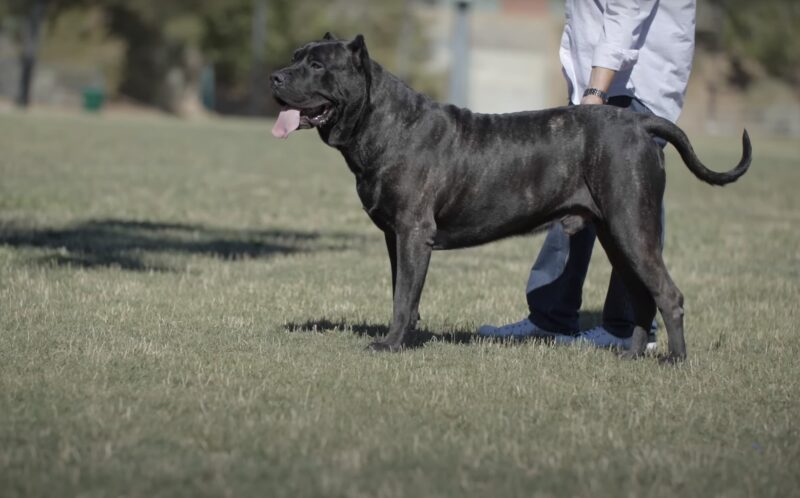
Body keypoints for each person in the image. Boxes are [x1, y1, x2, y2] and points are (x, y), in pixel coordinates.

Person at [478, 0, 697, 349]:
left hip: (631, 84)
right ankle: (552, 317)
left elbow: (626, 11)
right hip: (596, 85)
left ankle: (626, 328)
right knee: (567, 195)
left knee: (629, 208)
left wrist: (595, 93)